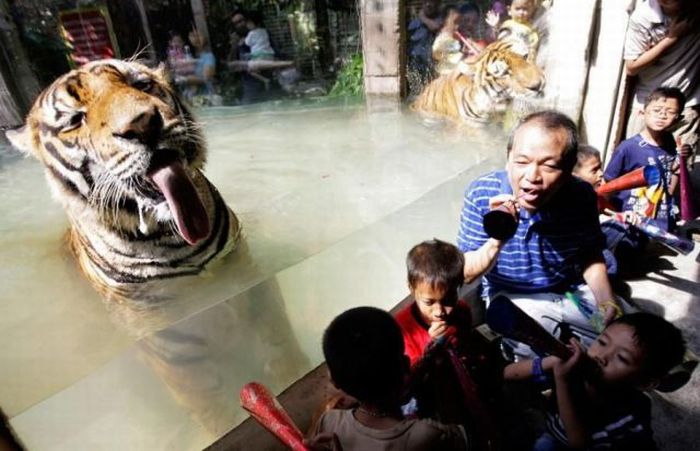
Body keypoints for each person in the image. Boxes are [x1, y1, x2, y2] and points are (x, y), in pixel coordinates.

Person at [457, 110, 623, 359]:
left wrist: (605, 299)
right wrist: (498, 237)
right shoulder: (481, 194)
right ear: (508, 159)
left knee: (622, 341)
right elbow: (467, 273)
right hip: (513, 296)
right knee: (541, 356)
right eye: (522, 162)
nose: (532, 177)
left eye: (549, 166)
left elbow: (589, 253)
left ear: (569, 169)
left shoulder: (581, 195)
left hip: (570, 291)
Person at [503, 312, 685, 450]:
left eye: (622, 358)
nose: (601, 356)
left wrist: (563, 381)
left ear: (644, 383)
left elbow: (578, 443)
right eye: (602, 343)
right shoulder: (574, 370)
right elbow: (509, 373)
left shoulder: (632, 413)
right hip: (554, 432)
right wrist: (552, 361)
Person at [306, 306, 470, 450]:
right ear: (405, 365)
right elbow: (466, 435)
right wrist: (443, 369)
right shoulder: (427, 436)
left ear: (334, 380)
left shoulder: (329, 423)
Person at [604, 87, 692, 256]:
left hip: (657, 213)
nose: (662, 116)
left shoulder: (671, 143)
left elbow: (673, 172)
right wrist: (611, 215)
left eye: (670, 112)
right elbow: (609, 183)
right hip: (632, 215)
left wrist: (681, 159)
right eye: (657, 110)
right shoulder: (628, 147)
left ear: (678, 118)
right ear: (642, 112)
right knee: (627, 250)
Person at [623, 0, 700, 160]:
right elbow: (632, 67)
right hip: (648, 107)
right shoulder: (644, 17)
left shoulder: (694, 11)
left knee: (679, 168)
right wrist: (672, 38)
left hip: (685, 109)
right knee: (640, 167)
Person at [395, 239, 471, 367]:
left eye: (448, 300)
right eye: (429, 302)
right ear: (412, 289)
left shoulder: (462, 311)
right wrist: (434, 346)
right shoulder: (402, 330)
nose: (439, 312)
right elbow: (412, 375)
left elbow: (467, 345)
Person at [407, 0, 443, 95]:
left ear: (437, 3)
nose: (428, 4)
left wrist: (423, 18)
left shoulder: (441, 19)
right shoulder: (414, 22)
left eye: (431, 1)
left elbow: (435, 27)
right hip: (415, 67)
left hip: (432, 68)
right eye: (425, 1)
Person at [174, 30, 217, 105]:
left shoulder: (209, 57)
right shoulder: (189, 58)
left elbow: (206, 79)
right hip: (190, 100)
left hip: (205, 98)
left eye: (198, 35)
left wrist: (185, 79)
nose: (195, 38)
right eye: (192, 36)